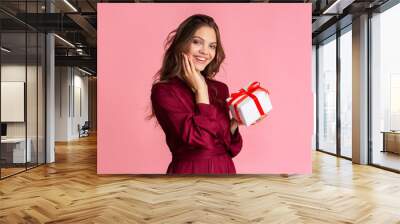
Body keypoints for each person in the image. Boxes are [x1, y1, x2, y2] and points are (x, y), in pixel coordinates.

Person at [149, 14, 243, 174]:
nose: (205, 52)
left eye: (212, 46)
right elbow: (201, 140)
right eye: (196, 42)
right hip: (188, 173)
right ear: (181, 44)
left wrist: (235, 123)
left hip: (225, 170)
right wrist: (201, 91)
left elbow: (231, 148)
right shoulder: (164, 91)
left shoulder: (220, 89)